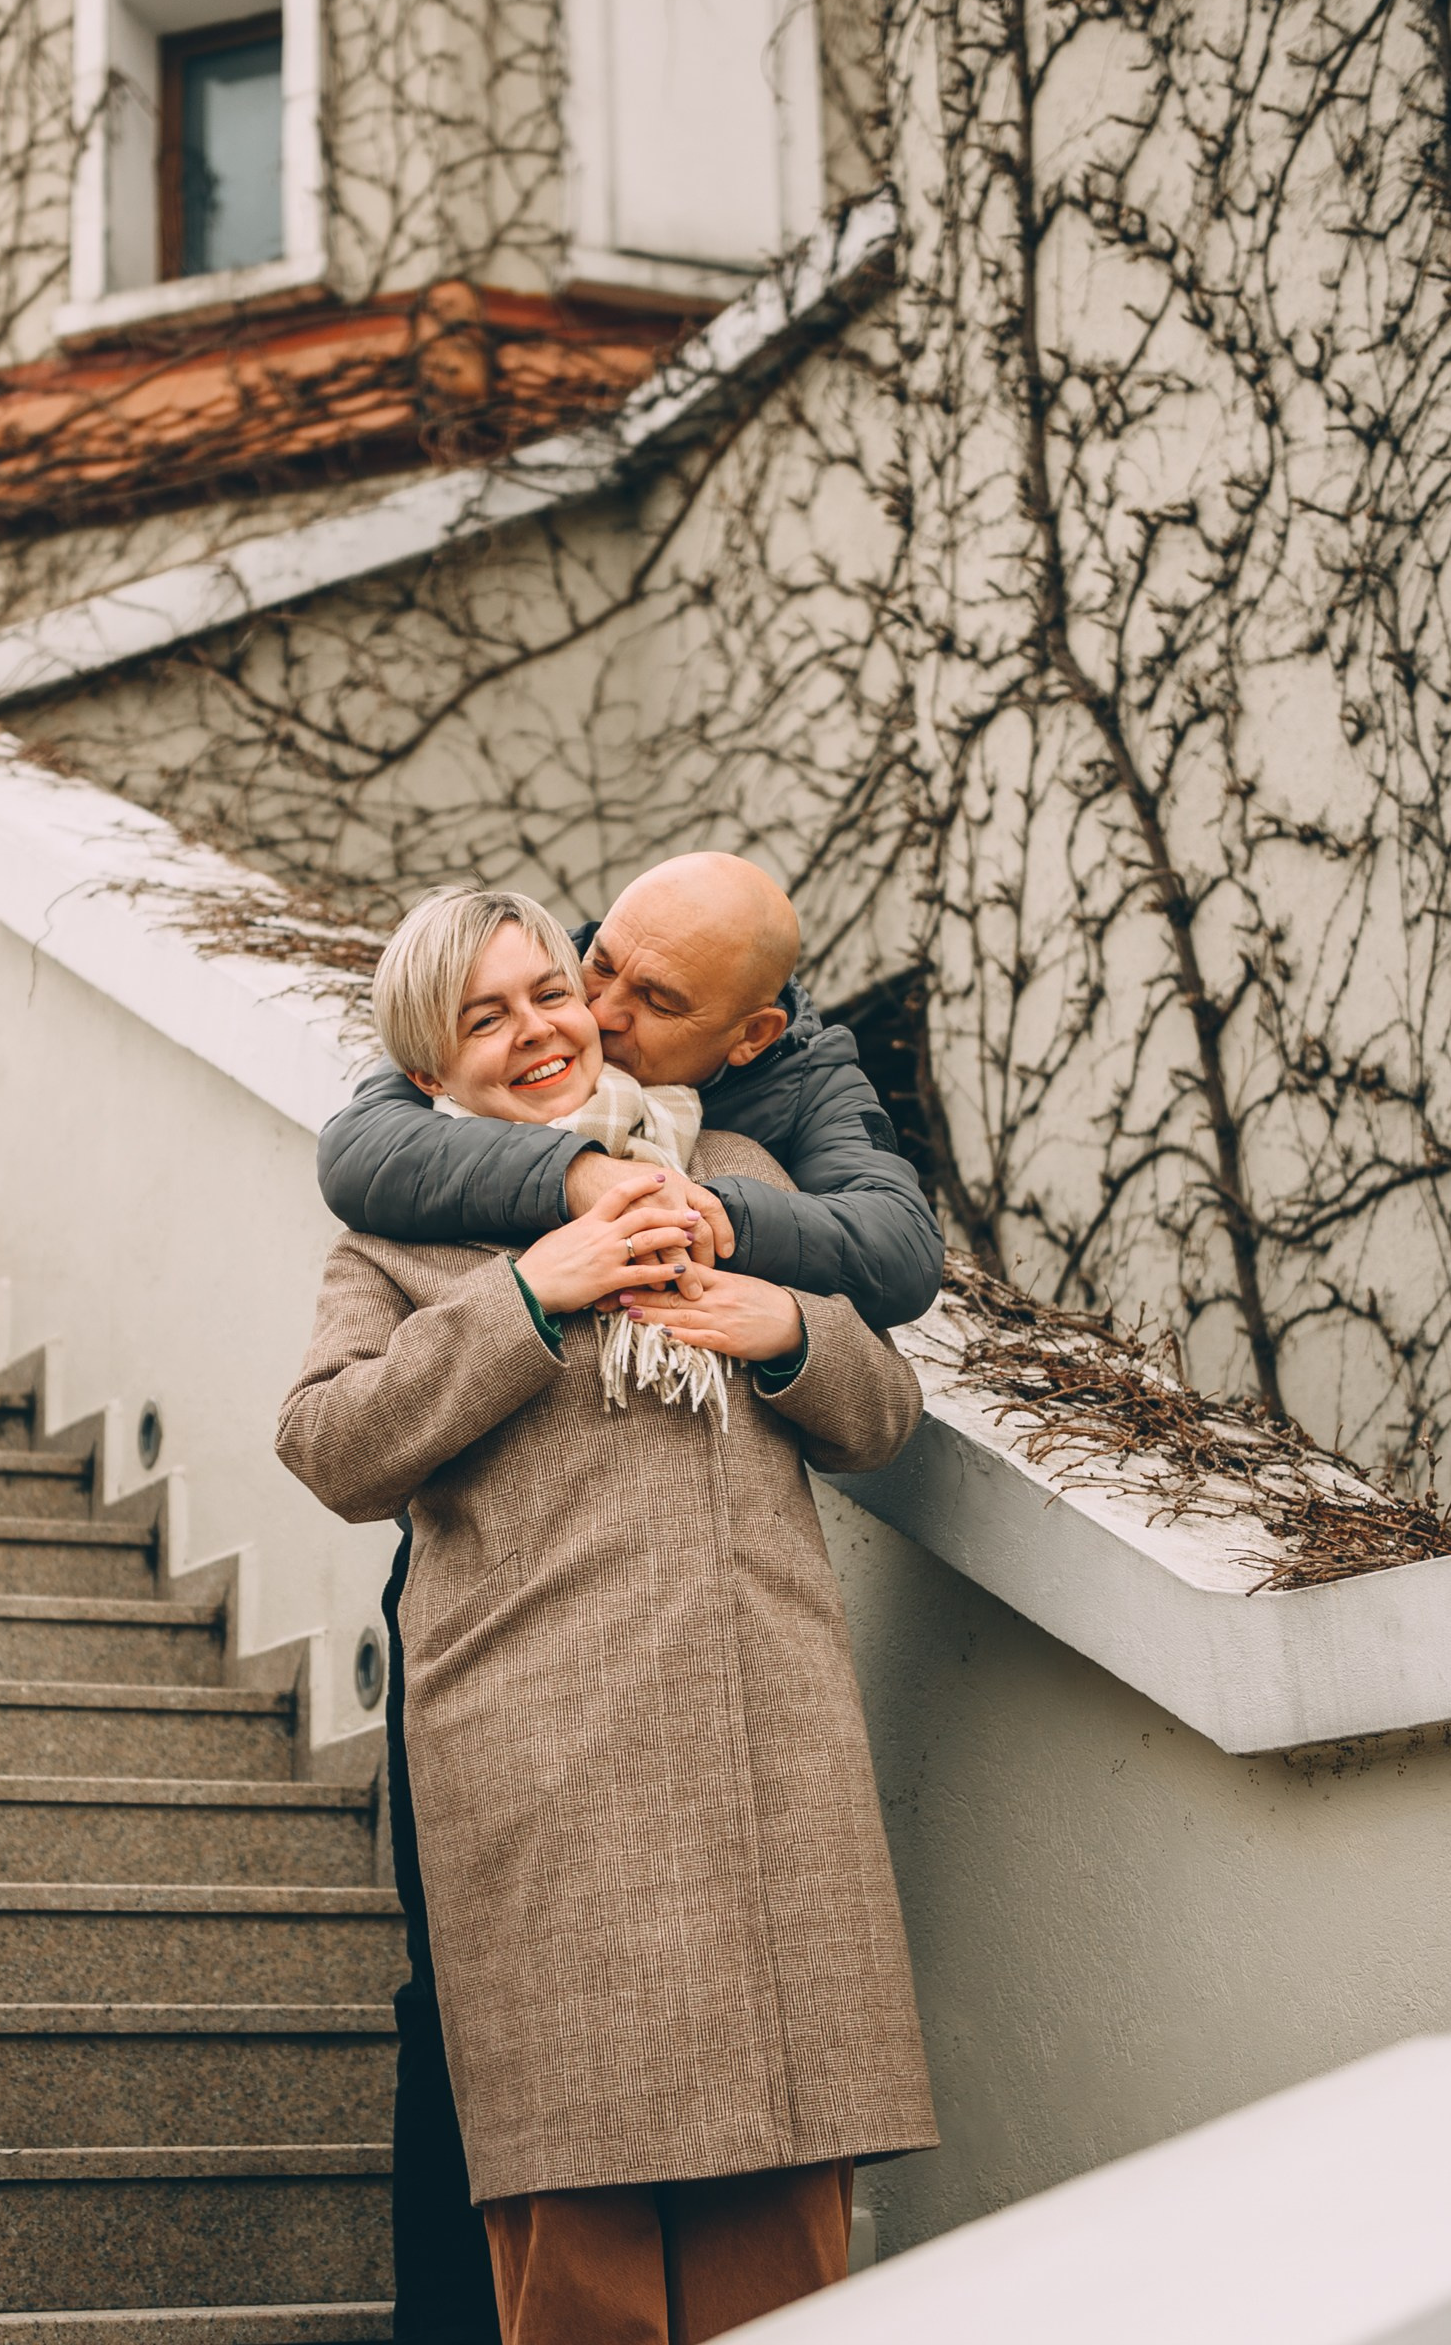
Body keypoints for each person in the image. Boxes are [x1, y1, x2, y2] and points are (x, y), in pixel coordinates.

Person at [280, 886, 937, 2345]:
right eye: (485, 1017)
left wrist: (787, 1329)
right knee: (582, 2253)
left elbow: (884, 1412)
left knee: (781, 2244)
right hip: (545, 1780)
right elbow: (328, 1445)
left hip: (761, 1766)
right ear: (426, 1068)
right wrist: (529, 1293)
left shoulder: (738, 1176)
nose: (538, 1029)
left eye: (547, 994)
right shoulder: (394, 1237)